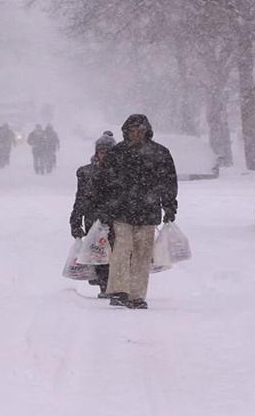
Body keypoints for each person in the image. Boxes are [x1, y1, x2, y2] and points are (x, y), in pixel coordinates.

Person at [96, 114, 178, 310]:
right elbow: (104, 183)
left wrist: (169, 205)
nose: (136, 134)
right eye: (132, 130)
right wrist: (105, 208)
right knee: (121, 252)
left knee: (142, 255)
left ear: (146, 131)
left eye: (139, 130)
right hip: (122, 211)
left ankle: (137, 295)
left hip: (147, 213)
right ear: (126, 131)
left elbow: (168, 182)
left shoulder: (159, 153)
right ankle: (119, 291)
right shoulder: (118, 153)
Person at [70, 130, 117, 297]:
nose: (104, 155)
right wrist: (75, 221)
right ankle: (104, 286)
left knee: (114, 253)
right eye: (101, 151)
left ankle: (112, 285)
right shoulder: (86, 172)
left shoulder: (121, 172)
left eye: (107, 152)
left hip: (115, 218)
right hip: (94, 220)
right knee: (99, 254)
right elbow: (80, 198)